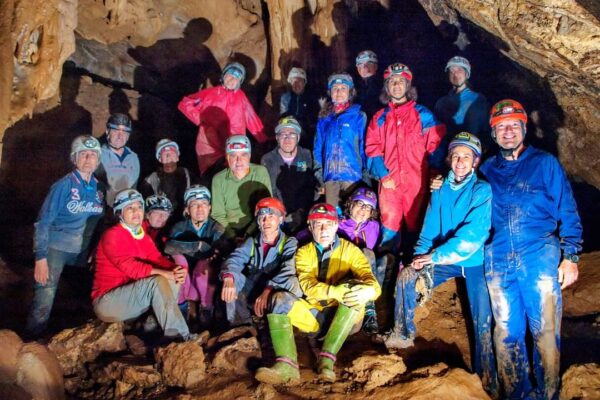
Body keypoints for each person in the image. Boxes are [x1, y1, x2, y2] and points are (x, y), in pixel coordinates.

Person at [481, 99, 582, 399]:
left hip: (539, 254)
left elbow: (568, 208)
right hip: (498, 258)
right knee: (506, 333)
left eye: (513, 126)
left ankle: (548, 393)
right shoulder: (487, 169)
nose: (508, 132)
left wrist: (571, 255)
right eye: (501, 128)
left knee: (546, 332)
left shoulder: (544, 163)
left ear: (524, 129)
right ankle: (516, 394)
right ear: (494, 134)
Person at [385, 132, 498, 397]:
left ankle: (486, 377)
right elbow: (429, 229)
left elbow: (471, 237)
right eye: (456, 156)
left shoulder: (482, 189)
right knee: (407, 277)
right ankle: (402, 334)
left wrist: (433, 256)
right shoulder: (441, 187)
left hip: (473, 261)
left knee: (482, 316)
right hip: (443, 259)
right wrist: (418, 257)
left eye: (466, 157)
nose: (460, 162)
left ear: (475, 162)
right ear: (449, 159)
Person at [255, 203, 381, 384]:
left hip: (343, 317)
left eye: (328, 224)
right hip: (313, 317)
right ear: (310, 227)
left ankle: (326, 361)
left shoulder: (350, 250)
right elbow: (307, 285)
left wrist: (367, 291)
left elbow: (373, 284)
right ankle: (287, 366)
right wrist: (333, 291)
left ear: (336, 226)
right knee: (279, 299)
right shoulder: (303, 253)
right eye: (318, 224)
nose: (323, 230)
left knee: (353, 290)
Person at [25, 135, 105, 338]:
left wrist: (95, 249)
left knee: (82, 291)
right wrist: (40, 257)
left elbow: (99, 221)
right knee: (46, 294)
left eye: (93, 155)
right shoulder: (64, 186)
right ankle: (32, 341)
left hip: (80, 250)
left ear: (98, 160)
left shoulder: (98, 189)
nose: (88, 159)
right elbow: (43, 222)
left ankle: (75, 336)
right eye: (83, 155)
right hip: (56, 247)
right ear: (74, 158)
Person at [365, 63, 446, 253]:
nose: (396, 85)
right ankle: (387, 273)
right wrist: (384, 176)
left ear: (408, 86)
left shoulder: (423, 115)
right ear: (387, 87)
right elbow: (372, 148)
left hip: (417, 183)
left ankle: (415, 275)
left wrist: (434, 173)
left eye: (401, 81)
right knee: (389, 231)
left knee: (419, 231)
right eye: (392, 81)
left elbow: (435, 145)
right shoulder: (380, 117)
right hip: (390, 184)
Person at [92, 189, 192, 341]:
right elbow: (131, 267)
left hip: (128, 295)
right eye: (130, 208)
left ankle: (153, 323)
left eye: (139, 207)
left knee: (173, 278)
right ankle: (180, 337)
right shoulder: (112, 235)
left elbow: (156, 258)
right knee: (157, 281)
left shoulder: (139, 234)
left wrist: (176, 269)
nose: (136, 211)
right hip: (107, 301)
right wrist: (164, 273)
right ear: (119, 213)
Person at [220, 198, 302, 327]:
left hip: (274, 293)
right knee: (233, 278)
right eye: (262, 217)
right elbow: (235, 258)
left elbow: (288, 269)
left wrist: (268, 289)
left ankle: (275, 329)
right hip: (254, 291)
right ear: (258, 221)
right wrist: (229, 278)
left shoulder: (289, 242)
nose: (266, 221)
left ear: (280, 219)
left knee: (293, 282)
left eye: (271, 216)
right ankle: (241, 327)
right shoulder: (252, 242)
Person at [178, 62, 268, 176]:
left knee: (236, 176)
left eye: (236, 78)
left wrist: (264, 140)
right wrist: (201, 120)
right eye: (230, 75)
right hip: (210, 145)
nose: (232, 80)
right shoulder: (210, 94)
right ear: (223, 76)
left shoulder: (241, 97)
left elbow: (252, 119)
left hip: (235, 145)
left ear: (240, 82)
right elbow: (185, 104)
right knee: (211, 176)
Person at [164, 185, 230, 327]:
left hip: (204, 280)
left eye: (204, 204)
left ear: (210, 207)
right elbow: (169, 247)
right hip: (186, 279)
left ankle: (206, 309)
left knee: (205, 265)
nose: (200, 209)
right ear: (187, 210)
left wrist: (208, 252)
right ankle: (181, 309)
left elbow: (220, 249)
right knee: (179, 263)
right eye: (194, 205)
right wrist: (198, 246)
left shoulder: (216, 228)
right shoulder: (179, 227)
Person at [314, 73, 367, 209]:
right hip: (330, 178)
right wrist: (320, 175)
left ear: (350, 92)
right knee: (332, 217)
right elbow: (318, 148)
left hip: (353, 176)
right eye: (335, 88)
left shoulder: (358, 116)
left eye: (343, 88)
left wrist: (365, 174)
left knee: (353, 215)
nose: (339, 92)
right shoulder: (324, 118)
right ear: (330, 92)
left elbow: (364, 146)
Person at [261, 116, 318, 234]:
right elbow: (269, 190)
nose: (287, 139)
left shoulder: (307, 155)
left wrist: (302, 211)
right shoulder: (267, 160)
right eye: (283, 134)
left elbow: (311, 187)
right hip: (278, 214)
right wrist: (280, 212)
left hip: (303, 212)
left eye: (292, 134)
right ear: (277, 137)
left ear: (298, 137)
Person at [211, 135, 272, 241]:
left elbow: (266, 206)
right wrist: (233, 237)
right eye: (233, 156)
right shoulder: (218, 179)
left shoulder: (260, 172)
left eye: (243, 155)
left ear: (249, 156)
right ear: (227, 157)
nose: (239, 160)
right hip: (228, 229)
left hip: (256, 226)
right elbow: (218, 213)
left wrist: (248, 235)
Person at [434, 56, 491, 155]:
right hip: (445, 156)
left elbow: (487, 131)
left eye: (459, 70)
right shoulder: (441, 103)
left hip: (469, 155)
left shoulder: (479, 100)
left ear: (467, 73)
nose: (455, 74)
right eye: (451, 71)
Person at [96, 113, 140, 207]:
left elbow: (133, 189)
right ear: (107, 131)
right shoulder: (96, 155)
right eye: (116, 131)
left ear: (128, 136)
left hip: (124, 210)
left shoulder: (134, 158)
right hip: (100, 211)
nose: (120, 136)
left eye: (124, 132)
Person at [140, 139, 192, 218]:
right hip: (161, 221)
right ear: (160, 159)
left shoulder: (188, 174)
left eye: (172, 152)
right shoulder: (150, 179)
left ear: (177, 156)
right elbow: (145, 207)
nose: (168, 156)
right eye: (165, 154)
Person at [279, 67, 317, 149]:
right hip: (290, 131)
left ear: (304, 82)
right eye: (294, 82)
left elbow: (314, 119)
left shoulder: (311, 98)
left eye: (299, 81)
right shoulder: (286, 98)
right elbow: (282, 117)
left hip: (307, 135)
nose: (297, 85)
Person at [354, 50, 383, 119]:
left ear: (376, 66)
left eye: (369, 64)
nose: (364, 68)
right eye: (360, 64)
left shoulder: (384, 85)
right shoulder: (353, 86)